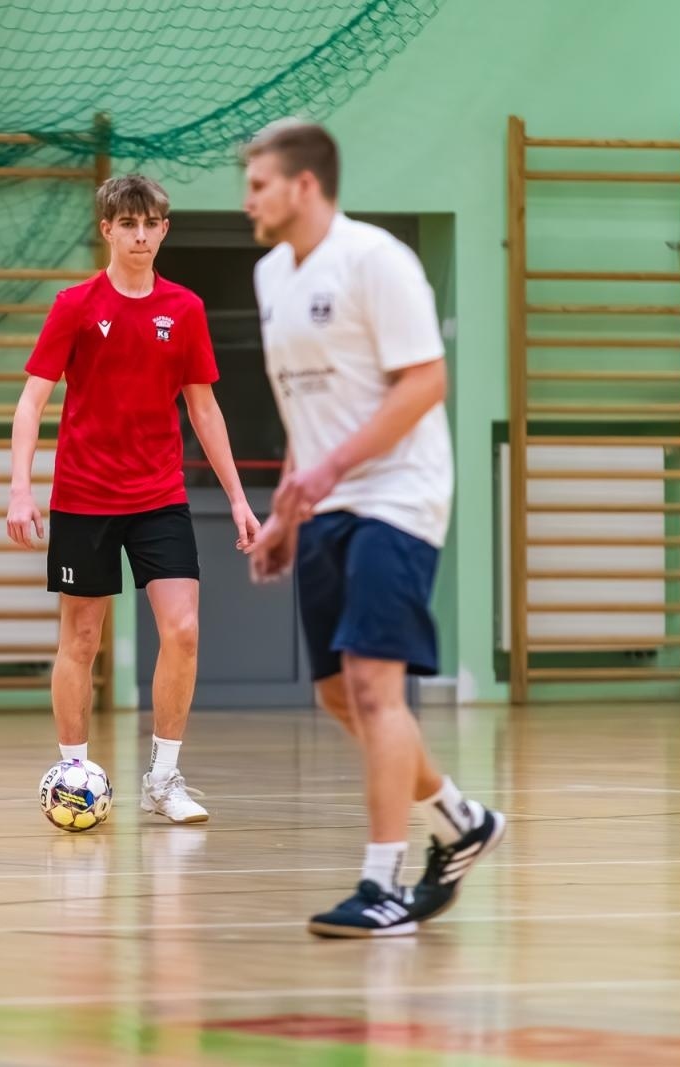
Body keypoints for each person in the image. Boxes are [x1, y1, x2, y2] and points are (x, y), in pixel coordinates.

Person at [243, 121, 505, 936]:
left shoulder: (376, 261)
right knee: (334, 691)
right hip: (325, 503)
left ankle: (383, 880)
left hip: (399, 496)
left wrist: (330, 470)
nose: (248, 198)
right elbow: (304, 407)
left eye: (259, 184)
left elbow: (426, 383)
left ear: (306, 185)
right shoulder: (269, 276)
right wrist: (291, 500)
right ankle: (462, 820)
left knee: (372, 685)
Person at [7, 174, 259, 823]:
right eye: (128, 225)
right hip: (84, 496)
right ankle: (74, 771)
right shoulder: (75, 305)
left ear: (164, 229)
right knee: (82, 640)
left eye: (150, 224)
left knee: (183, 629)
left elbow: (205, 409)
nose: (140, 236)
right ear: (108, 230)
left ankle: (165, 778)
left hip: (158, 495)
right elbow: (32, 399)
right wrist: (19, 487)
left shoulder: (187, 309)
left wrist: (237, 499)